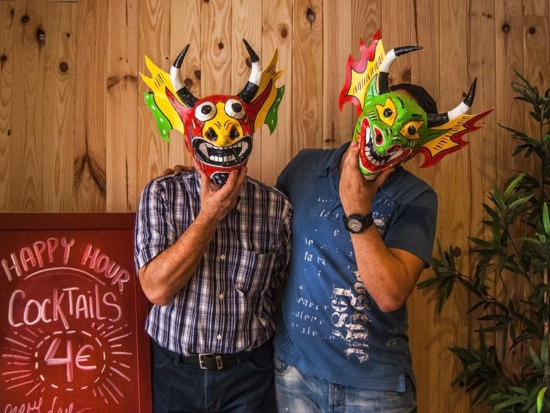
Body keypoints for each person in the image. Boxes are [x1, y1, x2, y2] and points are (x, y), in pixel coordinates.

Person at [273, 33, 487, 413]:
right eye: (387, 115)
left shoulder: (417, 198)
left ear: (419, 147)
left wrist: (358, 212)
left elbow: (390, 294)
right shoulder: (304, 167)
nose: (388, 137)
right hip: (295, 375)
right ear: (366, 105)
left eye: (408, 132)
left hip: (375, 388)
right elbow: (266, 233)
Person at [135, 40, 290, 412]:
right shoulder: (161, 195)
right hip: (175, 371)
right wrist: (208, 217)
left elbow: (281, 290)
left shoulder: (276, 207)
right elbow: (156, 290)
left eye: (233, 133)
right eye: (210, 135)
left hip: (249, 375)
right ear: (190, 143)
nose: (222, 142)